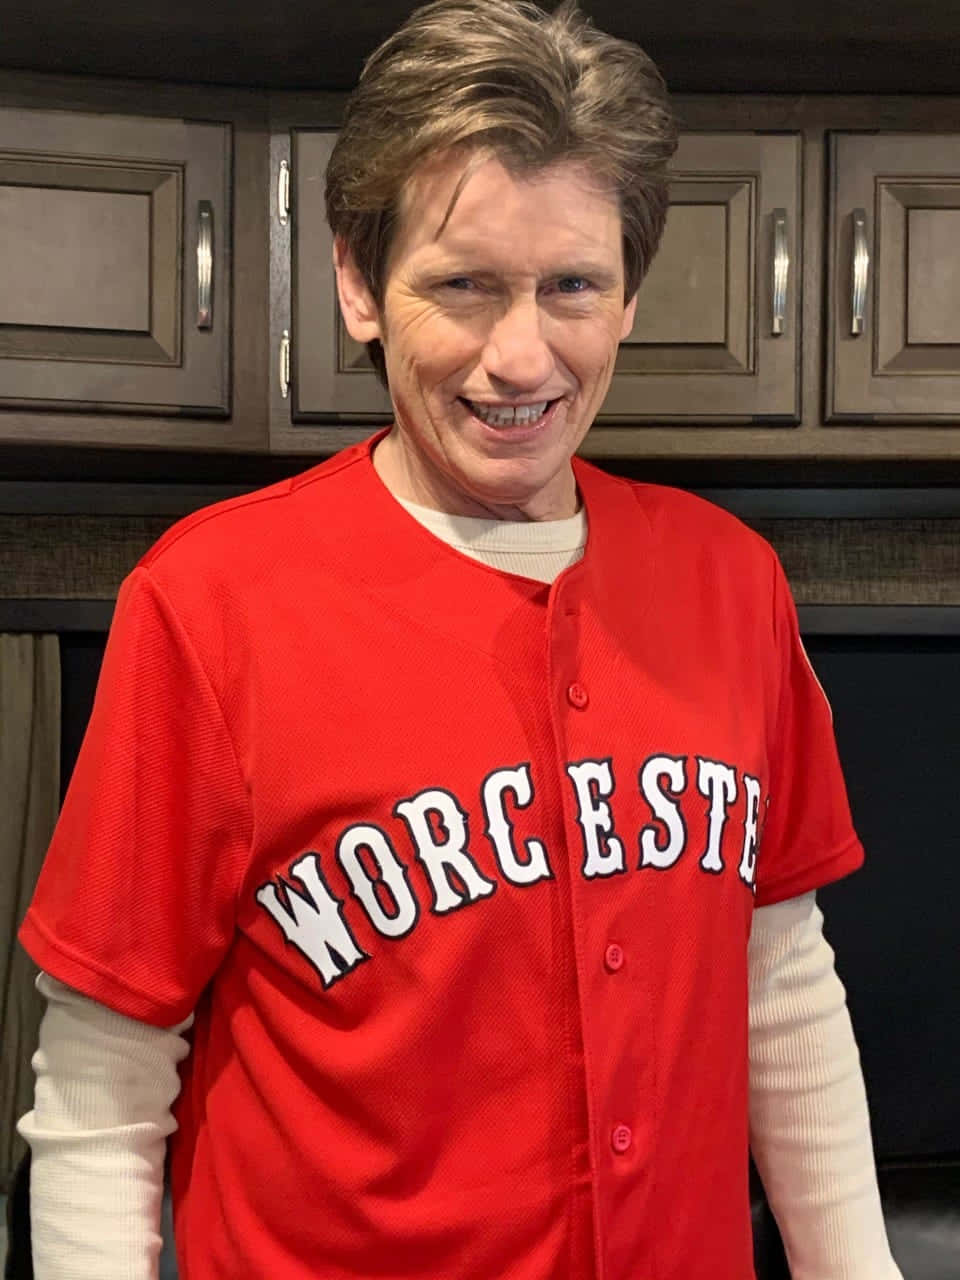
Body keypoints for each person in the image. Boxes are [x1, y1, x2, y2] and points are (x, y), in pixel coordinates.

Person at [17, 2, 902, 1277]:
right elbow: (103, 1082)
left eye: (572, 285)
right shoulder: (211, 603)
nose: (520, 356)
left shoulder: (732, 583)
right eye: (463, 285)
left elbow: (782, 983)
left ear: (630, 295)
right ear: (358, 284)